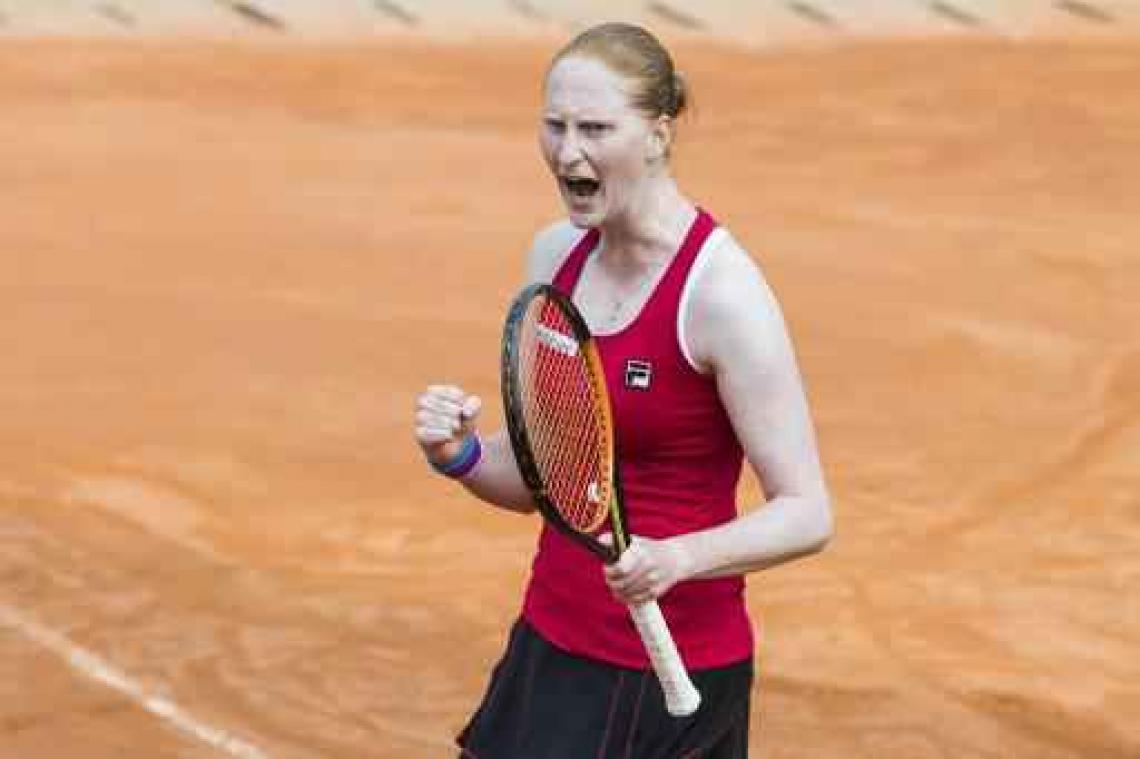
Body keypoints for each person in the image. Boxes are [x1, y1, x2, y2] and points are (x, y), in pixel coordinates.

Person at [414, 22, 833, 758]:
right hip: (553, 642)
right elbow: (547, 477)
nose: (568, 150)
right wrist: (460, 454)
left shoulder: (722, 295)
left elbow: (806, 513)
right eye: (556, 125)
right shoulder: (555, 257)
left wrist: (678, 558)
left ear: (657, 135)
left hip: (671, 673)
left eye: (595, 128)